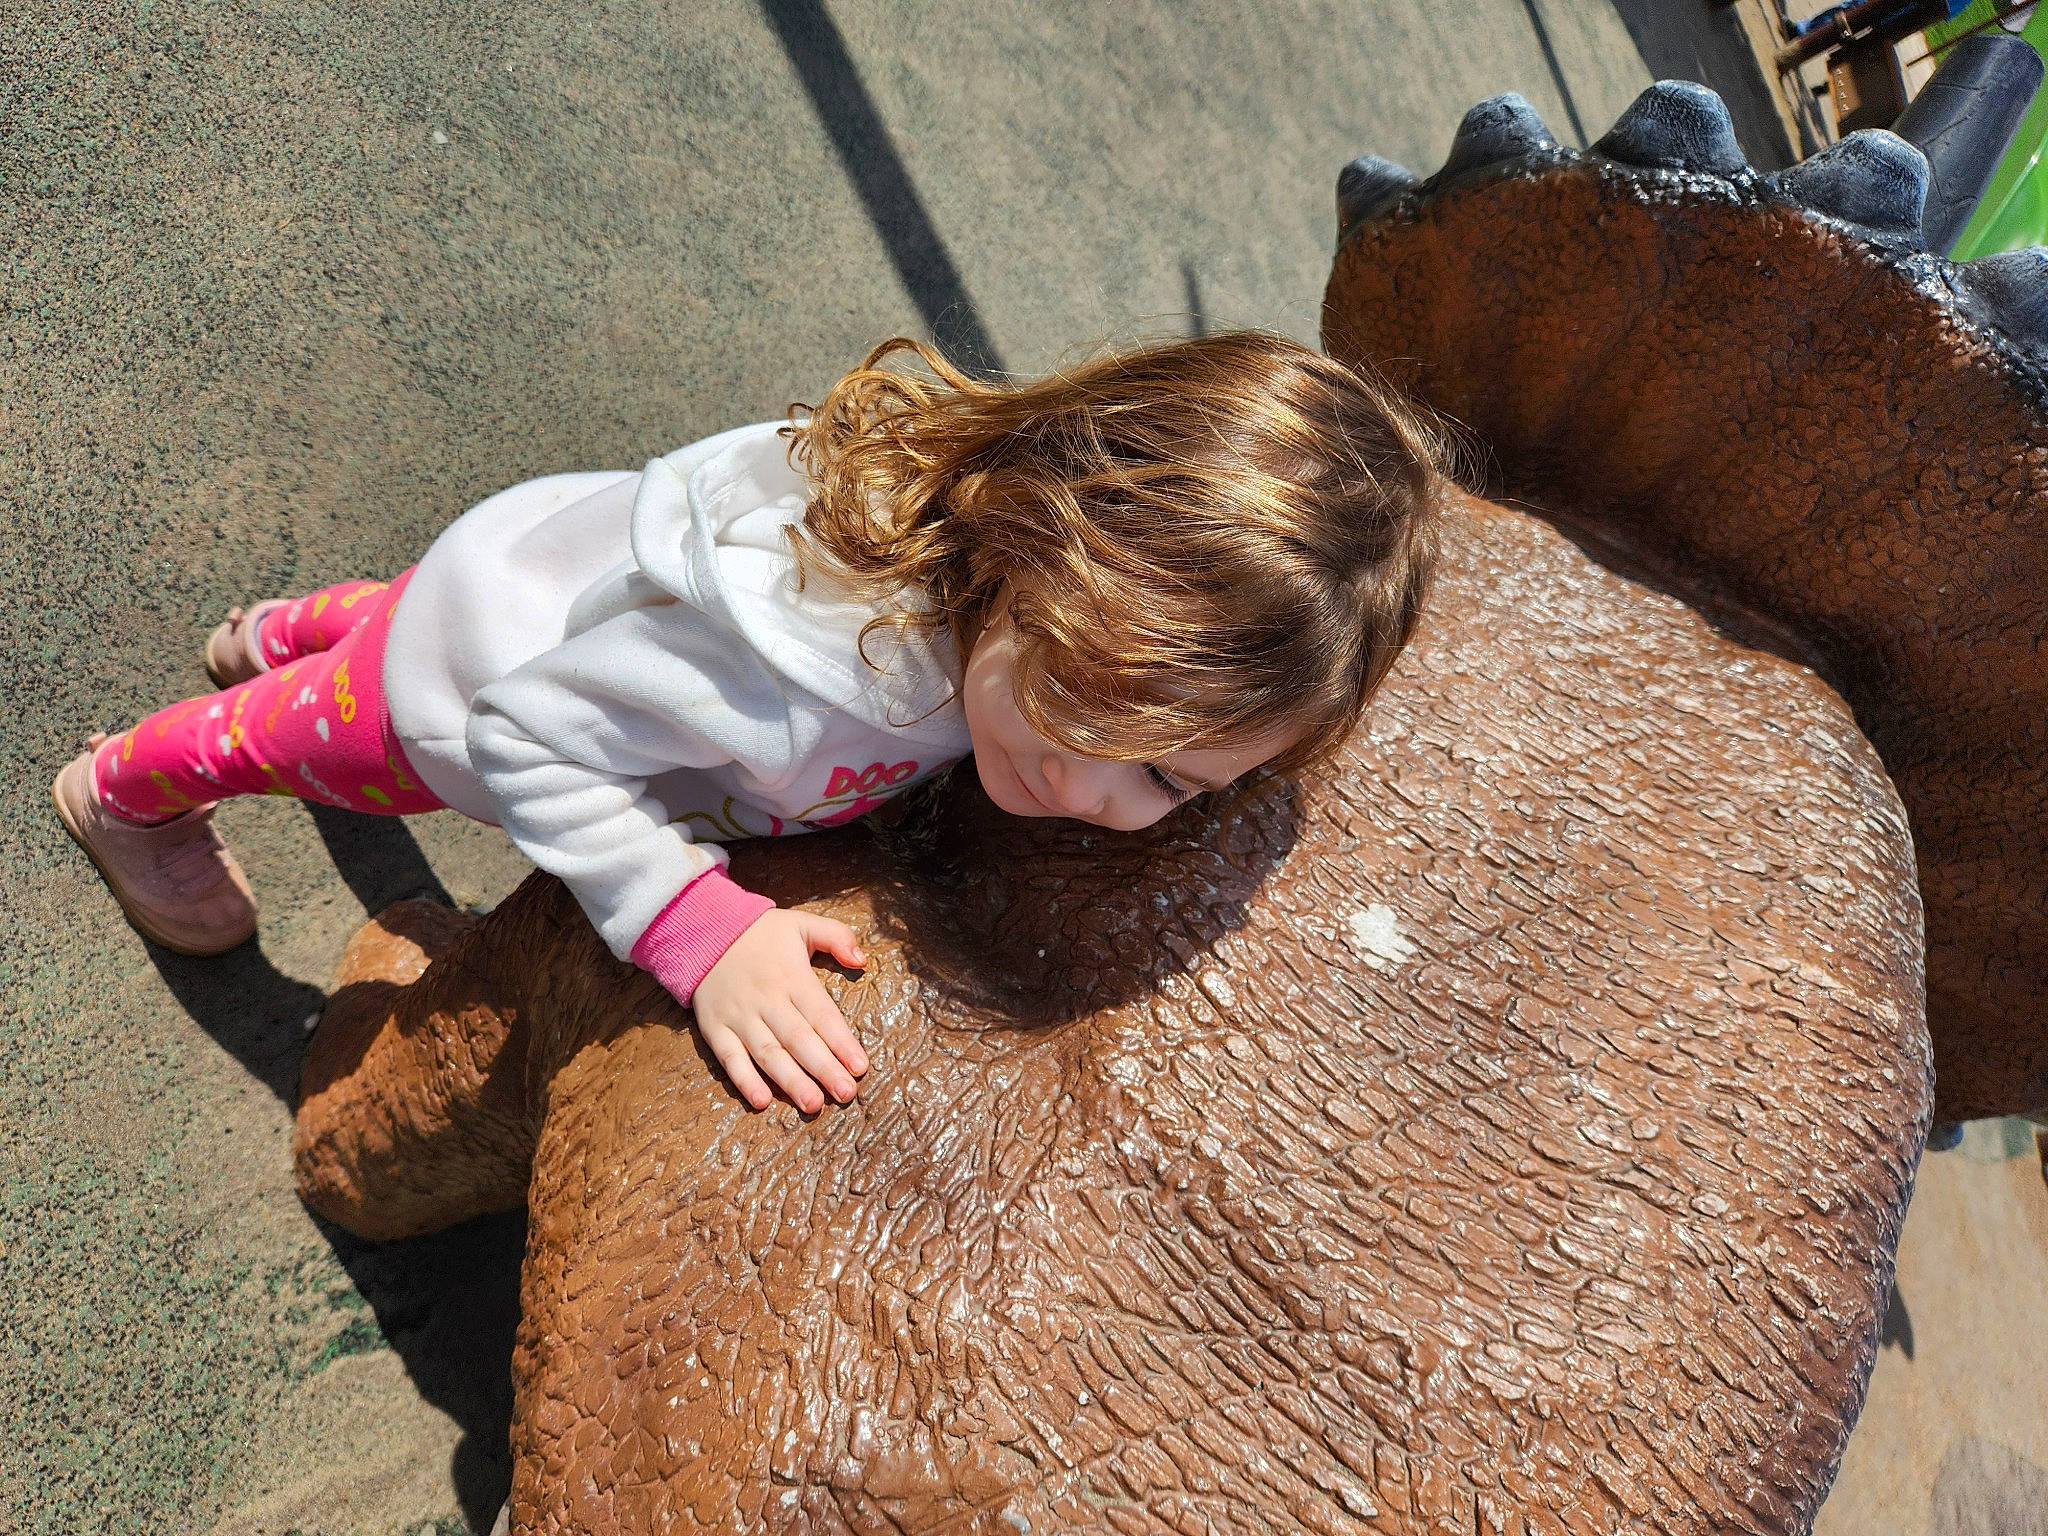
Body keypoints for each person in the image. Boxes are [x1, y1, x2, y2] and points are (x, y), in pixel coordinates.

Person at [52, 332, 1452, 1113]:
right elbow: (531, 733)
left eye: (1180, 789)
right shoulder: (793, 662)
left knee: (356, 625)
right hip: (455, 695)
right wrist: (693, 927)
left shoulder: (979, 594)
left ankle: (287, 627)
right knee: (294, 738)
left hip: (529, 571)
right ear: (1043, 541)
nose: (1108, 798)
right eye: (1116, 729)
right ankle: (124, 790)